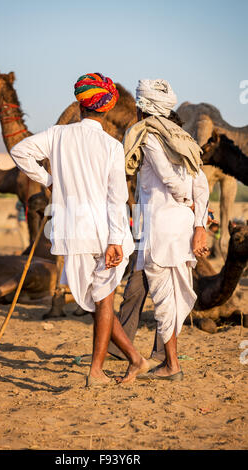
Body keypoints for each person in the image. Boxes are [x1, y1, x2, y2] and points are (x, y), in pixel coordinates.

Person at [10, 73, 149, 387]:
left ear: (81, 104)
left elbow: (20, 152)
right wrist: (116, 239)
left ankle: (100, 370)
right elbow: (117, 197)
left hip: (72, 232)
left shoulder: (57, 135)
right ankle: (134, 360)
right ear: (107, 107)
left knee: (99, 301)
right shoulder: (112, 147)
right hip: (104, 232)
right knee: (101, 300)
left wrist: (48, 180)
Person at [109, 79, 209, 382]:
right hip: (178, 228)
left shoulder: (149, 137)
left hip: (161, 228)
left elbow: (172, 180)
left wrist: (187, 202)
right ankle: (160, 359)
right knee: (173, 296)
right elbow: (200, 183)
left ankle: (170, 364)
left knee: (166, 299)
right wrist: (198, 222)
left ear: (142, 108)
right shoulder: (183, 139)